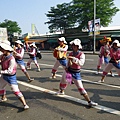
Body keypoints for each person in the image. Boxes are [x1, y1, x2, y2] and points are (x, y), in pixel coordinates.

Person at [56, 39, 98, 107]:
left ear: (78, 47)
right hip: (69, 71)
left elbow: (81, 63)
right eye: (72, 46)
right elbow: (68, 63)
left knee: (80, 88)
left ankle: (89, 101)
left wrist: (73, 58)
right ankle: (62, 91)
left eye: (75, 46)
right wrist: (67, 66)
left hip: (76, 73)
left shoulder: (81, 54)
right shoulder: (71, 53)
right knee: (63, 80)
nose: (73, 47)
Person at [0, 41, 29, 110]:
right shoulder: (3, 56)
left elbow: (10, 71)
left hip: (10, 77)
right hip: (4, 76)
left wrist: (1, 71)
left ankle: (25, 104)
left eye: (1, 49)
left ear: (6, 49)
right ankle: (3, 98)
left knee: (15, 91)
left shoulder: (12, 59)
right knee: (0, 87)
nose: (0, 50)